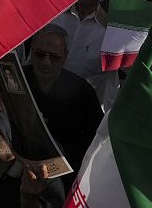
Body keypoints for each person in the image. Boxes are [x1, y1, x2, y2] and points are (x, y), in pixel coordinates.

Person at [23, 26, 103, 171]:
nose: (46, 62)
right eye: (40, 54)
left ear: (65, 56)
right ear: (31, 51)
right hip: (19, 165)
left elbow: (97, 137)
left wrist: (65, 150)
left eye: (54, 57)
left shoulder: (82, 92)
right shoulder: (18, 80)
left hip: (65, 171)